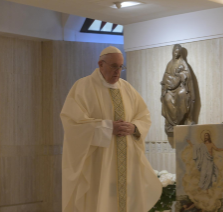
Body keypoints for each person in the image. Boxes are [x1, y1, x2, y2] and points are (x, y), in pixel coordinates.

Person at [60, 46, 162, 212]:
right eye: (114, 66)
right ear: (101, 64)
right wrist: (108, 128)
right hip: (98, 163)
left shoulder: (128, 89)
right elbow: (73, 124)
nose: (118, 71)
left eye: (121, 67)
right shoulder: (83, 87)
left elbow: (144, 116)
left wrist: (134, 127)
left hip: (128, 163)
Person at [160, 44, 196, 146]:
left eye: (177, 52)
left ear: (180, 53)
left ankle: (182, 121)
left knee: (182, 94)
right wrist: (168, 83)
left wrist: (181, 75)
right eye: (174, 52)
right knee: (167, 99)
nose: (176, 53)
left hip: (180, 88)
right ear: (172, 52)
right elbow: (165, 78)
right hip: (170, 89)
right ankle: (172, 124)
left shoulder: (183, 63)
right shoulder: (169, 64)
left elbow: (187, 77)